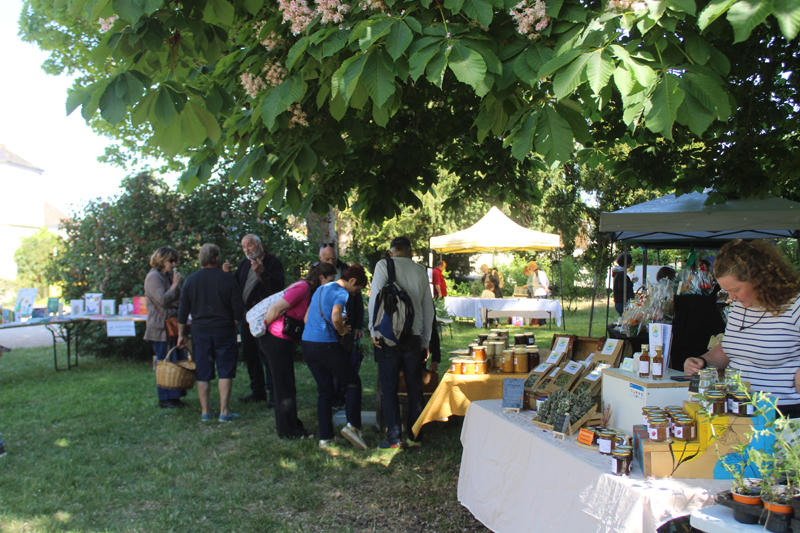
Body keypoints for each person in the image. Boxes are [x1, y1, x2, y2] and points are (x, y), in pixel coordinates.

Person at [684, 239, 800, 418]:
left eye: (736, 289)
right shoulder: (739, 306)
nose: (732, 297)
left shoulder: (794, 305)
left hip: (779, 413)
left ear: (759, 279)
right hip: (737, 407)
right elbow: (731, 347)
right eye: (727, 291)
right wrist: (702, 361)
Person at [369, 237, 434, 449]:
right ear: (410, 251)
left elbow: (375, 300)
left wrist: (373, 330)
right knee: (415, 386)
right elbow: (428, 308)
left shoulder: (383, 265)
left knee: (389, 387)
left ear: (392, 252)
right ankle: (416, 434)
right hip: (413, 337)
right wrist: (426, 339)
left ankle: (394, 437)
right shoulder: (420, 270)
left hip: (388, 335)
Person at [258, 262, 337, 439]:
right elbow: (277, 308)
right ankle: (288, 431)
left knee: (287, 385)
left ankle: (292, 424)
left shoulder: (312, 292)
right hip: (276, 339)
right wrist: (265, 329)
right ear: (321, 277)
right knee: (283, 387)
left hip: (284, 340)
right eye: (331, 280)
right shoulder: (302, 288)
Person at [301, 265, 369, 450]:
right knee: (353, 382)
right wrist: (342, 330)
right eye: (357, 289)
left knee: (325, 390)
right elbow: (336, 317)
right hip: (327, 345)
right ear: (352, 281)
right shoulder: (342, 293)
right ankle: (352, 426)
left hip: (307, 344)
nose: (356, 293)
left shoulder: (321, 289)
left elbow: (306, 318)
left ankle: (325, 438)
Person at [178, 243, 244, 422]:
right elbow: (238, 308)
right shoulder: (227, 279)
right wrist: (235, 322)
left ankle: (205, 411)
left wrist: (180, 334)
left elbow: (183, 311)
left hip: (200, 331)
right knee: (225, 370)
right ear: (217, 258)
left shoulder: (191, 280)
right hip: (224, 329)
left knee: (203, 371)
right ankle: (224, 411)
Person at [223, 234, 283, 406]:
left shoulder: (272, 263)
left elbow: (277, 289)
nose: (247, 250)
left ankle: (273, 393)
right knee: (250, 354)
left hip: (266, 318)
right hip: (246, 318)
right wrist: (227, 274)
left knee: (267, 355)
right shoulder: (244, 266)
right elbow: (234, 287)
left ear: (258, 244)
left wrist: (261, 274)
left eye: (249, 245)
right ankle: (258, 391)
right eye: (243, 247)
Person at [314, 241, 365, 407]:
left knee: (346, 362)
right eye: (326, 259)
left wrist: (357, 325)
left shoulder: (346, 272)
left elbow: (357, 301)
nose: (330, 262)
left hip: (345, 326)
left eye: (333, 258)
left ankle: (340, 395)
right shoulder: (315, 274)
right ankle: (332, 396)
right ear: (320, 258)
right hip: (325, 328)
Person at [143, 246, 187, 408]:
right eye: (171, 261)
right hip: (160, 327)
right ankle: (165, 398)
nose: (174, 264)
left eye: (175, 261)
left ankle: (175, 396)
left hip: (171, 324)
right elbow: (163, 300)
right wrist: (174, 286)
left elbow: (180, 298)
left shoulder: (167, 276)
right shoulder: (153, 277)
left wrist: (175, 292)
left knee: (175, 360)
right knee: (164, 362)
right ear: (161, 260)